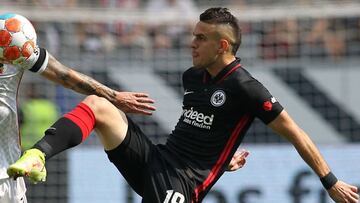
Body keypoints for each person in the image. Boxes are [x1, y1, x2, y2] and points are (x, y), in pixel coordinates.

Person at [7, 7, 359, 203]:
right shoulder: (193, 77)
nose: (191, 43)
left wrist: (330, 181)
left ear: (223, 45)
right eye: (193, 35)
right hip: (156, 160)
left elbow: (296, 133)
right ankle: (38, 155)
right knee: (99, 105)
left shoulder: (247, 87)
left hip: (181, 184)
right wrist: (221, 157)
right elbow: (200, 129)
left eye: (200, 38)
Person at [0, 42, 156, 202]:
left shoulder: (10, 37)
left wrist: (114, 97)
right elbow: (64, 76)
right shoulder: (10, 37)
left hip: (17, 169)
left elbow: (63, 75)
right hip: (23, 163)